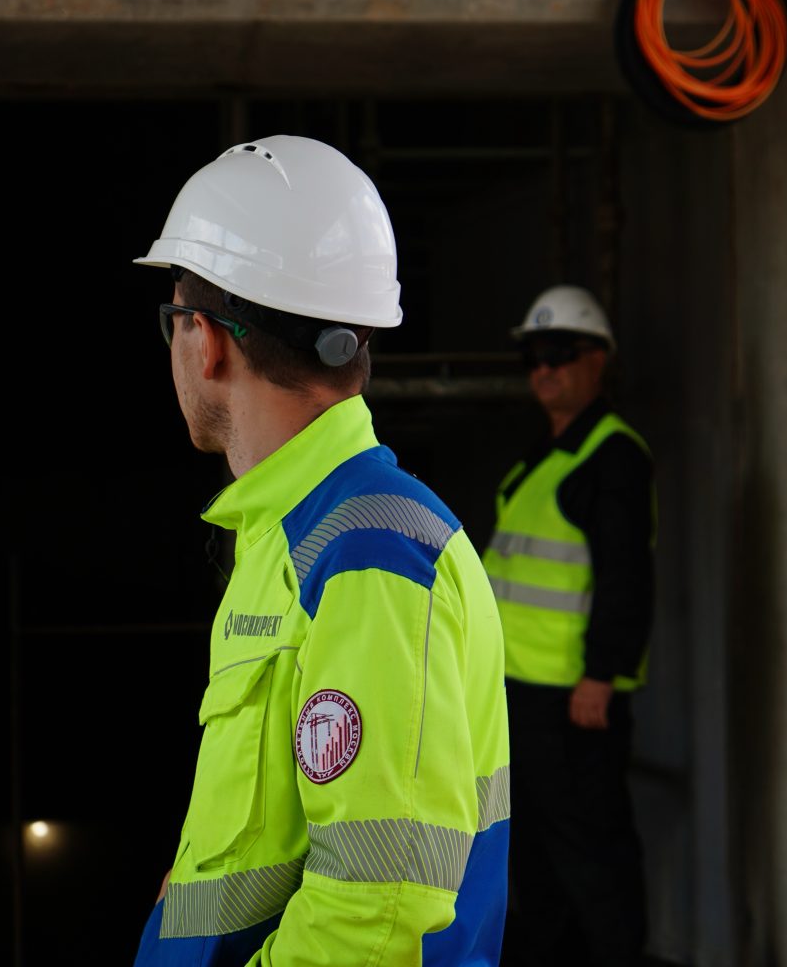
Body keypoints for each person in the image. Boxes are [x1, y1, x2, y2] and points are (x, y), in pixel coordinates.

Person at [131, 135, 510, 967]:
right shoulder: (296, 534)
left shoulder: (370, 555)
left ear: (206, 340)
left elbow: (377, 915)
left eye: (171, 320)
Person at [485, 286, 655, 967]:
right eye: (533, 355)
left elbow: (626, 576)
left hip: (573, 701)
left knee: (592, 853)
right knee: (537, 857)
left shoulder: (612, 455)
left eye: (559, 352)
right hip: (522, 694)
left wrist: (600, 674)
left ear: (597, 360)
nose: (544, 368)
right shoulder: (545, 456)